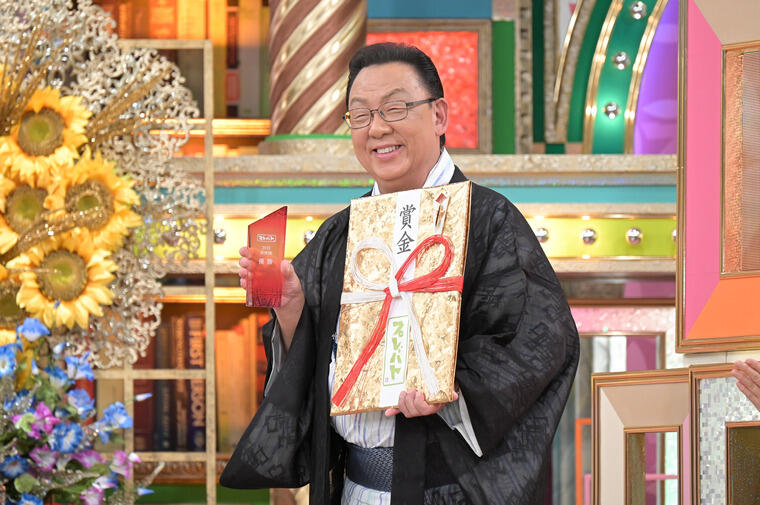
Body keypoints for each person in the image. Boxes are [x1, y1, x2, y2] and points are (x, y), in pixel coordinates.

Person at [220, 42, 580, 504]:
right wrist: (291, 310)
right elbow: (307, 373)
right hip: (354, 489)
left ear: (439, 115)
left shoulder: (487, 221)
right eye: (361, 114)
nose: (377, 128)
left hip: (448, 493)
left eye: (395, 108)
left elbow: (542, 342)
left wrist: (451, 390)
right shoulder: (340, 234)